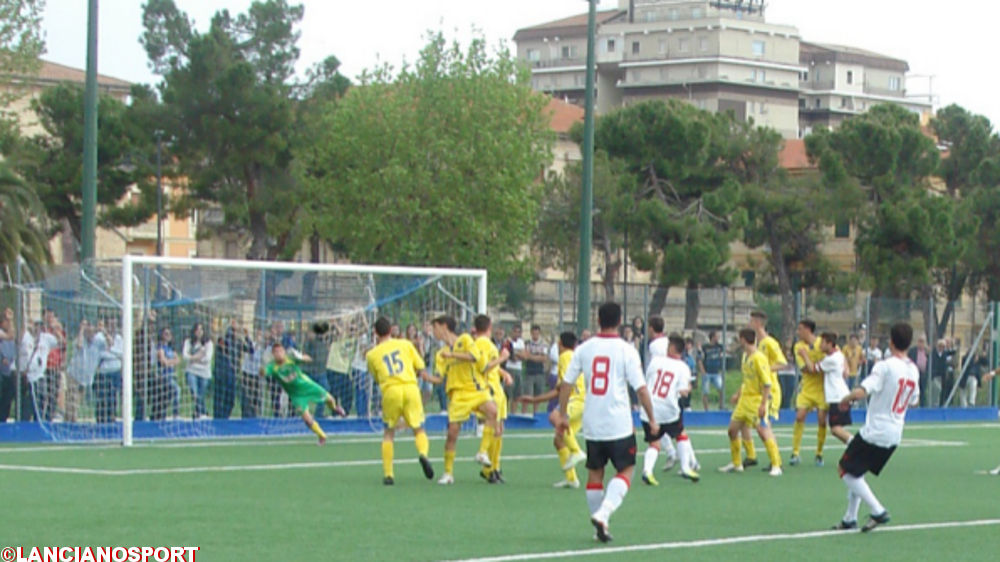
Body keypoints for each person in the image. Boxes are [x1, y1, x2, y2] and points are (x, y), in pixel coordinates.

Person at [555, 302, 658, 543]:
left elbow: (567, 383)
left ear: (598, 319)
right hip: (618, 423)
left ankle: (598, 525)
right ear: (620, 320)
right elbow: (641, 390)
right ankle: (604, 513)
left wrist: (562, 414)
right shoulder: (626, 350)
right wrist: (652, 418)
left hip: (593, 423)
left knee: (595, 474)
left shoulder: (584, 349)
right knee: (626, 470)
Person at [832, 322, 919, 532]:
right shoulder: (913, 369)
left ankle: (878, 510)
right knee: (857, 471)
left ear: (890, 341)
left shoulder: (885, 365)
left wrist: (846, 399)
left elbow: (864, 390)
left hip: (876, 430)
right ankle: (849, 518)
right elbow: (914, 400)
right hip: (895, 433)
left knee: (845, 469)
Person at [426, 315, 498, 485]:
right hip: (458, 395)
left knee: (492, 411)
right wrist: (424, 376)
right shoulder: (440, 353)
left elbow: (474, 357)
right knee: (452, 434)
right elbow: (439, 378)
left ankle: (482, 452)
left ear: (444, 326)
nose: (433, 332)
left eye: (435, 327)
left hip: (475, 389)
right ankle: (448, 473)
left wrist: (451, 354)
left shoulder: (465, 339)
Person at [365, 317, 435, 485]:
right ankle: (423, 454)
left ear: (375, 333)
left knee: (389, 432)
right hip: (410, 388)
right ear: (391, 330)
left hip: (391, 390)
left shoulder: (372, 354)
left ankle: (389, 474)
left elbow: (376, 377)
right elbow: (420, 366)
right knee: (418, 428)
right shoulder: (405, 344)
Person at [519, 331, 585, 488]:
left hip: (575, 398)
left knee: (555, 417)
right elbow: (558, 389)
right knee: (559, 440)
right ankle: (571, 479)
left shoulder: (564, 357)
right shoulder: (576, 357)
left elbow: (565, 386)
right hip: (584, 402)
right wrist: (535, 399)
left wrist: (561, 409)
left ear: (560, 344)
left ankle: (576, 451)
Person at [719, 328, 783, 476]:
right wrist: (738, 394)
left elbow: (767, 383)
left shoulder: (759, 358)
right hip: (744, 400)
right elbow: (747, 380)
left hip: (756, 400)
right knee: (732, 430)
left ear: (743, 340)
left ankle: (776, 465)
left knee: (762, 431)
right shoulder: (745, 357)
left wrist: (763, 404)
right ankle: (737, 464)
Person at [640, 334, 700, 485]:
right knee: (680, 434)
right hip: (668, 410)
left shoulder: (655, 361)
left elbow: (647, 381)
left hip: (649, 408)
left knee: (654, 442)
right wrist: (688, 387)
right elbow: (683, 391)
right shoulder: (683, 367)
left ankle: (647, 471)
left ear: (672, 348)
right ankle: (686, 467)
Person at [266, 341, 346, 445]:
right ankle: (322, 435)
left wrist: (300, 357)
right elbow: (264, 372)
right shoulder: (273, 367)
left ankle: (335, 408)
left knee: (330, 399)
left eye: (280, 351)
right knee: (307, 419)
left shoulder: (291, 359)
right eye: (276, 352)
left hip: (307, 386)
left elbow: (309, 359)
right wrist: (262, 369)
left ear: (284, 351)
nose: (279, 353)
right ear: (273, 355)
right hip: (296, 395)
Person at [472, 315, 512, 483]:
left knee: (499, 430)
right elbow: (483, 368)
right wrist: (502, 359)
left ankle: (494, 467)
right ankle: (489, 467)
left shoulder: (485, 344)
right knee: (495, 429)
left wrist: (504, 373)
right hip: (490, 390)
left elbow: (491, 368)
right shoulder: (482, 344)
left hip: (497, 387)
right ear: (489, 327)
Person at [745, 311, 787, 469]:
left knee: (763, 425)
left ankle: (777, 462)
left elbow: (782, 363)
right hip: (758, 389)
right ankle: (769, 458)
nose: (749, 323)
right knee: (757, 425)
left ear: (758, 323)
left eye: (751, 321)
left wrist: (765, 370)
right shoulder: (756, 344)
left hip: (771, 391)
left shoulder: (769, 342)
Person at [791, 319, 828, 467]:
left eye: (800, 329)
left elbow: (831, 361)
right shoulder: (798, 347)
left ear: (808, 330)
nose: (798, 332)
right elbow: (807, 369)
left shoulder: (822, 343)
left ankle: (819, 453)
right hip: (806, 388)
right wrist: (813, 365)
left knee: (821, 420)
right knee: (800, 416)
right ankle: (795, 452)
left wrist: (809, 360)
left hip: (822, 389)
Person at [645, 316, 678, 471]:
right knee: (672, 425)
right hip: (671, 384)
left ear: (651, 328)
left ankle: (681, 457)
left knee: (659, 423)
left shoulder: (654, 346)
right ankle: (680, 456)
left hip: (659, 387)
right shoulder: (668, 342)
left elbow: (655, 367)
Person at [818, 332, 853, 445]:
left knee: (835, 428)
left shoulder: (831, 359)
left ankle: (856, 446)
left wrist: (803, 355)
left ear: (830, 344)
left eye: (822, 343)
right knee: (835, 428)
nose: (820, 346)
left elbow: (813, 368)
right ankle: (853, 447)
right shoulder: (838, 354)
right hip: (840, 396)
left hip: (838, 397)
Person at [92, 318, 123, 424]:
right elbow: (99, 353)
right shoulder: (99, 337)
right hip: (103, 373)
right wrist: (111, 353)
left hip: (115, 372)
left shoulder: (119, 338)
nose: (112, 327)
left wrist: (111, 350)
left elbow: (121, 353)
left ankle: (111, 419)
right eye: (110, 325)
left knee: (113, 398)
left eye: (114, 325)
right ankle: (100, 420)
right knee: (102, 398)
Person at [65, 319, 96, 423]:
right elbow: (79, 345)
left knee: (76, 403)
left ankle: (71, 421)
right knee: (71, 402)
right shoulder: (79, 339)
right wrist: (81, 330)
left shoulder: (97, 342)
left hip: (85, 378)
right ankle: (70, 422)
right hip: (74, 375)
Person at [182, 322, 214, 420]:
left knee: (201, 395)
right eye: (197, 330)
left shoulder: (208, 343)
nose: (199, 332)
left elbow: (207, 359)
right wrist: (198, 356)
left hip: (204, 373)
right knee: (195, 393)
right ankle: (202, 412)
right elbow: (185, 356)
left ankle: (198, 413)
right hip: (192, 371)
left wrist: (193, 358)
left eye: (201, 329)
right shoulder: (188, 342)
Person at [519, 325, 548, 415]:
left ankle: (536, 413)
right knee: (528, 394)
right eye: (533, 333)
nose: (535, 335)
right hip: (529, 372)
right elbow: (524, 356)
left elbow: (544, 358)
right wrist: (536, 357)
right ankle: (524, 413)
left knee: (538, 395)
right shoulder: (527, 343)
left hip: (539, 372)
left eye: (537, 333)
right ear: (531, 333)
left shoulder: (543, 344)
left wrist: (531, 356)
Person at [154, 327, 182, 421]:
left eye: (169, 334)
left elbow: (178, 360)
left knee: (169, 396)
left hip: (172, 375)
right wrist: (171, 362)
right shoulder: (160, 348)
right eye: (166, 334)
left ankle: (165, 414)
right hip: (164, 376)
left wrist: (170, 362)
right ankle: (176, 413)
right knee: (177, 390)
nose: (168, 336)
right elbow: (163, 362)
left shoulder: (170, 348)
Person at [239, 327, 263, 419]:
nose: (259, 337)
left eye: (261, 335)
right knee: (246, 395)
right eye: (258, 335)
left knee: (255, 397)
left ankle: (254, 414)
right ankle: (245, 414)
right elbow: (251, 354)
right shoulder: (250, 344)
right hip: (247, 373)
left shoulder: (263, 348)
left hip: (256, 374)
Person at [700, 331, 725, 411]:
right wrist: (702, 370)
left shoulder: (720, 347)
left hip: (716, 373)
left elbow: (728, 351)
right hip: (707, 372)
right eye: (717, 336)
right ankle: (706, 409)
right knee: (705, 392)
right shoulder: (705, 347)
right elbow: (700, 359)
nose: (718, 338)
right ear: (713, 337)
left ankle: (721, 406)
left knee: (721, 389)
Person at [0, 317, 19, 422]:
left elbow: (13, 336)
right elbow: (10, 336)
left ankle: (4, 419)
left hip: (9, 372)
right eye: (5, 321)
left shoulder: (11, 339)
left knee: (7, 398)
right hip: (1, 372)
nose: (8, 324)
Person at [506, 324, 525, 408]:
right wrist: (517, 354)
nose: (516, 333)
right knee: (508, 392)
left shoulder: (521, 342)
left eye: (518, 332)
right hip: (510, 368)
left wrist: (517, 354)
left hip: (518, 369)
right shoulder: (508, 341)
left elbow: (524, 356)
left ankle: (513, 412)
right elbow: (511, 356)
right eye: (515, 331)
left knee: (516, 394)